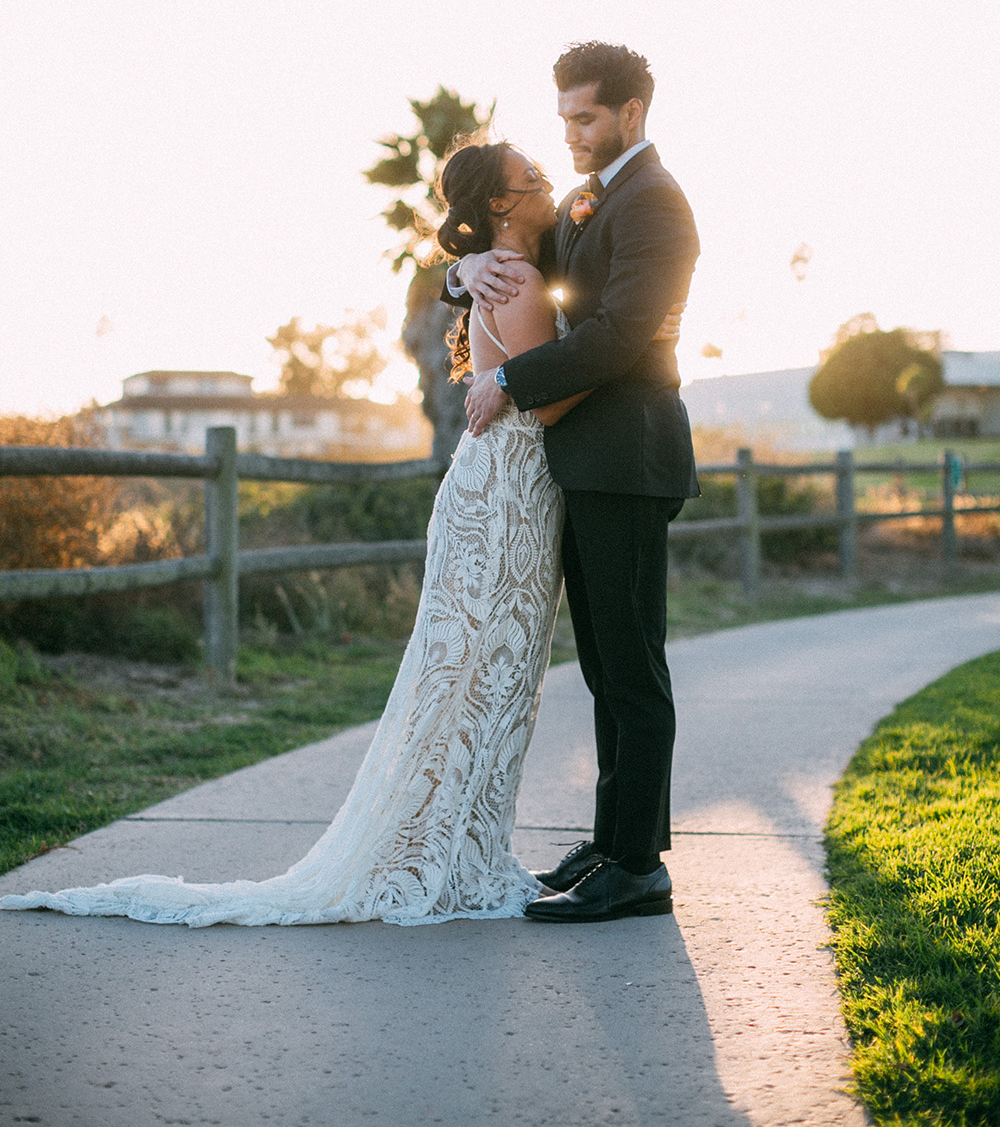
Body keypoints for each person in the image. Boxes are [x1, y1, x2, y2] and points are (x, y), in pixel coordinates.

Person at [0, 142, 583, 929]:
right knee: (480, 680)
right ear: (502, 205)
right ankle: (444, 858)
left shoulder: (503, 271)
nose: (549, 183)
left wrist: (465, 275)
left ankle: (453, 851)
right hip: (505, 503)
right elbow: (551, 402)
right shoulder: (516, 281)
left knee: (483, 681)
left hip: (503, 495)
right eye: (533, 179)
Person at [455, 41, 700, 923]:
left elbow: (621, 335)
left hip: (629, 458)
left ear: (631, 112)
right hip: (588, 462)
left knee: (632, 666)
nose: (570, 135)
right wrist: (461, 268)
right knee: (604, 668)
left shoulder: (656, 203)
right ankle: (612, 842)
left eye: (586, 117)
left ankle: (638, 867)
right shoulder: (589, 200)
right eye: (563, 119)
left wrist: (510, 382)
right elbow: (519, 251)